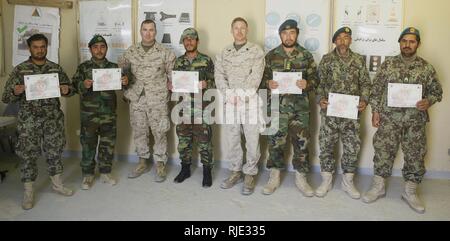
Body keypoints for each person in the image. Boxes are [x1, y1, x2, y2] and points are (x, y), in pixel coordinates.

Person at [363, 27, 443, 213]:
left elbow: (437, 92)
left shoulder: (426, 67)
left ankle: (410, 192)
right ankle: (378, 187)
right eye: (404, 41)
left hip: (415, 121)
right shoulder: (388, 64)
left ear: (418, 44)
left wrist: (428, 101)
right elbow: (376, 90)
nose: (407, 44)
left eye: (412, 41)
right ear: (399, 42)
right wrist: (375, 111)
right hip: (389, 119)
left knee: (415, 156)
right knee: (383, 152)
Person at [2, 34, 74, 210]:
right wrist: (16, 91)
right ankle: (28, 192)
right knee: (28, 156)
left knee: (54, 152)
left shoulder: (55, 68)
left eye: (43, 46)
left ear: (46, 47)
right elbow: (5, 97)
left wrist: (66, 89)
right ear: (30, 48)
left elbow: (70, 89)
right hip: (29, 122)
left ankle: (57, 185)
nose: (40, 50)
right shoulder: (20, 70)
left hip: (52, 120)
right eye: (36, 47)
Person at [261, 19, 318, 196]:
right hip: (277, 108)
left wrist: (307, 83)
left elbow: (316, 80)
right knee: (275, 143)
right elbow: (260, 80)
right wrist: (268, 83)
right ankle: (274, 176)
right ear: (280, 35)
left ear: (297, 34)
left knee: (302, 144)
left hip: (300, 110)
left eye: (292, 32)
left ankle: (301, 178)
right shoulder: (270, 56)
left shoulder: (306, 55)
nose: (288, 36)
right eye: (285, 33)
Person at [314, 27, 371, 199]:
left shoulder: (359, 60)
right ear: (335, 41)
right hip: (330, 113)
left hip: (351, 114)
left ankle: (348, 182)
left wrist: (365, 100)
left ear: (350, 40)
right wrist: (319, 99)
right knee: (326, 146)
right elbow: (320, 83)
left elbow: (366, 84)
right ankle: (326, 181)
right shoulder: (326, 59)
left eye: (346, 37)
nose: (342, 40)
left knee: (352, 148)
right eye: (339, 38)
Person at [118, 19, 176, 182]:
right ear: (140, 31)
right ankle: (142, 162)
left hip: (157, 99)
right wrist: (124, 85)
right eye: (145, 29)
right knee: (139, 131)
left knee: (159, 132)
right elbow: (123, 74)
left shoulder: (165, 52)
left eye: (151, 30)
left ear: (155, 32)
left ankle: (160, 164)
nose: (148, 33)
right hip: (137, 99)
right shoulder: (130, 52)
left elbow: (173, 76)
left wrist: (173, 85)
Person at [215, 17, 265, 195]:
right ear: (231, 30)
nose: (239, 31)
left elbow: (256, 76)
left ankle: (250, 173)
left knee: (252, 140)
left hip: (249, 102)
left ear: (247, 30)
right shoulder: (224, 52)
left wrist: (241, 95)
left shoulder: (256, 51)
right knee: (233, 139)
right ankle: (236, 171)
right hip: (230, 103)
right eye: (236, 28)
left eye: (242, 28)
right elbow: (219, 75)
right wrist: (229, 94)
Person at [72, 35, 129, 190]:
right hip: (89, 116)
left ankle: (105, 172)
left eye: (102, 47)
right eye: (95, 47)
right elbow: (71, 88)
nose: (99, 50)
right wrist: (83, 84)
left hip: (108, 114)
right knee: (88, 145)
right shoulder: (83, 68)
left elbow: (125, 87)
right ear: (90, 49)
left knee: (107, 145)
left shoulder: (113, 67)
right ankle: (87, 175)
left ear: (106, 49)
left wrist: (125, 82)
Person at [171, 28, 215, 187]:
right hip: (182, 109)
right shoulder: (178, 62)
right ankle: (185, 169)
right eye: (186, 39)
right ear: (183, 42)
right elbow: (174, 84)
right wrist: (171, 86)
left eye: (192, 39)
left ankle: (207, 171)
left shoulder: (206, 60)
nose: (189, 42)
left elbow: (215, 83)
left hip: (202, 109)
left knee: (205, 142)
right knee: (184, 141)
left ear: (197, 41)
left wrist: (207, 83)